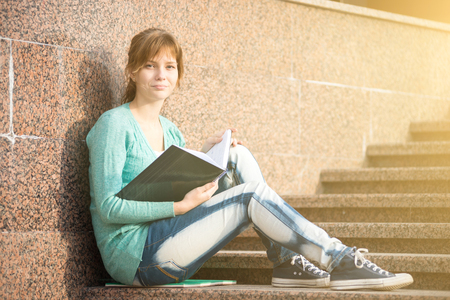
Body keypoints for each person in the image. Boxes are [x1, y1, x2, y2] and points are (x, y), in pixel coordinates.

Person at [86, 28, 413, 290]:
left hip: (169, 239)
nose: (161, 74)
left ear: (178, 75)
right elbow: (108, 207)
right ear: (132, 71)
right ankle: (339, 259)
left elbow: (170, 186)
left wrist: (205, 155)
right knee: (250, 195)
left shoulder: (170, 131)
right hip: (136, 256)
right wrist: (179, 207)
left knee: (235, 154)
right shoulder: (114, 125)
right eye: (150, 65)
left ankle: (286, 262)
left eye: (169, 66)